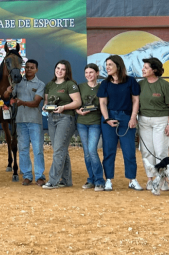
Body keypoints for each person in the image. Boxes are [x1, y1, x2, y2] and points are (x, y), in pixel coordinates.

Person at [98, 55, 142, 191]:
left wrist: (133, 117)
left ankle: (132, 180)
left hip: (126, 118)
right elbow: (103, 103)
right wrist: (107, 119)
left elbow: (135, 100)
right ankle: (108, 180)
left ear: (118, 65)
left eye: (110, 64)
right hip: (109, 118)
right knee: (109, 151)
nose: (107, 67)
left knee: (129, 151)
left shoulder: (131, 81)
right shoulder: (104, 84)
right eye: (106, 65)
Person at [42, 60, 81, 190]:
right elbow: (47, 102)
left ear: (67, 71)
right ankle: (66, 180)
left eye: (63, 69)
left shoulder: (70, 84)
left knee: (58, 150)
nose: (59, 71)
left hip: (66, 118)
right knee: (61, 149)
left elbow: (77, 102)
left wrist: (63, 107)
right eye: (57, 68)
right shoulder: (50, 85)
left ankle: (53, 181)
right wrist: (45, 107)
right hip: (52, 118)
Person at [137, 57, 169, 190]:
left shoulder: (164, 85)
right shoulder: (140, 84)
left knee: (160, 152)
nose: (143, 69)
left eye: (146, 68)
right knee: (147, 151)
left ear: (154, 70)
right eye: (143, 67)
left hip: (161, 121)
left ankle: (163, 180)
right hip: (143, 121)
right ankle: (150, 179)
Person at [6, 59, 46, 186]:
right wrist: (7, 91)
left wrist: (22, 102)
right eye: (27, 67)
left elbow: (36, 103)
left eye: (32, 67)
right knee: (23, 149)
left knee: (38, 149)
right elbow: (8, 96)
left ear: (36, 69)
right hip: (20, 121)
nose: (28, 69)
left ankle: (40, 176)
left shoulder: (40, 84)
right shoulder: (17, 83)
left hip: (34, 121)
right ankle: (27, 175)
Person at [75, 63, 105, 191]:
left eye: (91, 72)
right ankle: (91, 179)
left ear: (97, 73)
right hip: (82, 123)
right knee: (87, 153)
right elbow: (76, 102)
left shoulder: (102, 87)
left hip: (95, 123)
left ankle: (100, 180)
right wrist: (78, 111)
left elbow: (104, 104)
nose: (89, 75)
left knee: (92, 150)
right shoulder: (80, 86)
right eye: (86, 73)